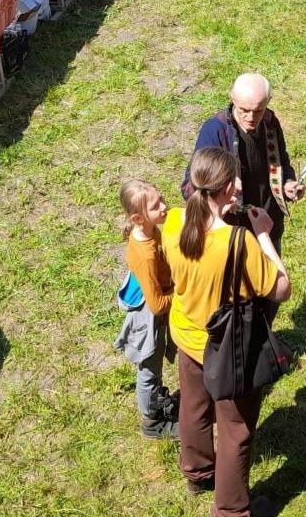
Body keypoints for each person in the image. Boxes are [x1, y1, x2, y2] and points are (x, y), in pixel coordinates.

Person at [161, 147, 290, 517]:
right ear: (227, 186)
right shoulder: (238, 242)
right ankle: (232, 510)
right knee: (236, 430)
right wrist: (263, 234)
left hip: (187, 335)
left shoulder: (172, 222)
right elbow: (281, 289)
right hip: (228, 348)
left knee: (194, 405)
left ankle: (198, 471)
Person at [182, 73, 303, 253]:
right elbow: (189, 187)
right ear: (232, 99)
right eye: (244, 110)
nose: (251, 117)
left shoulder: (270, 122)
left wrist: (288, 183)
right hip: (232, 231)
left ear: (268, 101)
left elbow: (281, 160)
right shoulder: (215, 130)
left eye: (258, 110)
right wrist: (222, 185)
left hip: (267, 225)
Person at [114, 179, 180, 440]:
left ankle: (156, 400)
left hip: (156, 300)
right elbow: (157, 304)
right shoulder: (146, 254)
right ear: (138, 218)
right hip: (148, 317)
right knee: (149, 369)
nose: (164, 206)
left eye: (161, 198)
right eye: (156, 206)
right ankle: (152, 422)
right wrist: (183, 292)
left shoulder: (149, 230)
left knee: (154, 369)